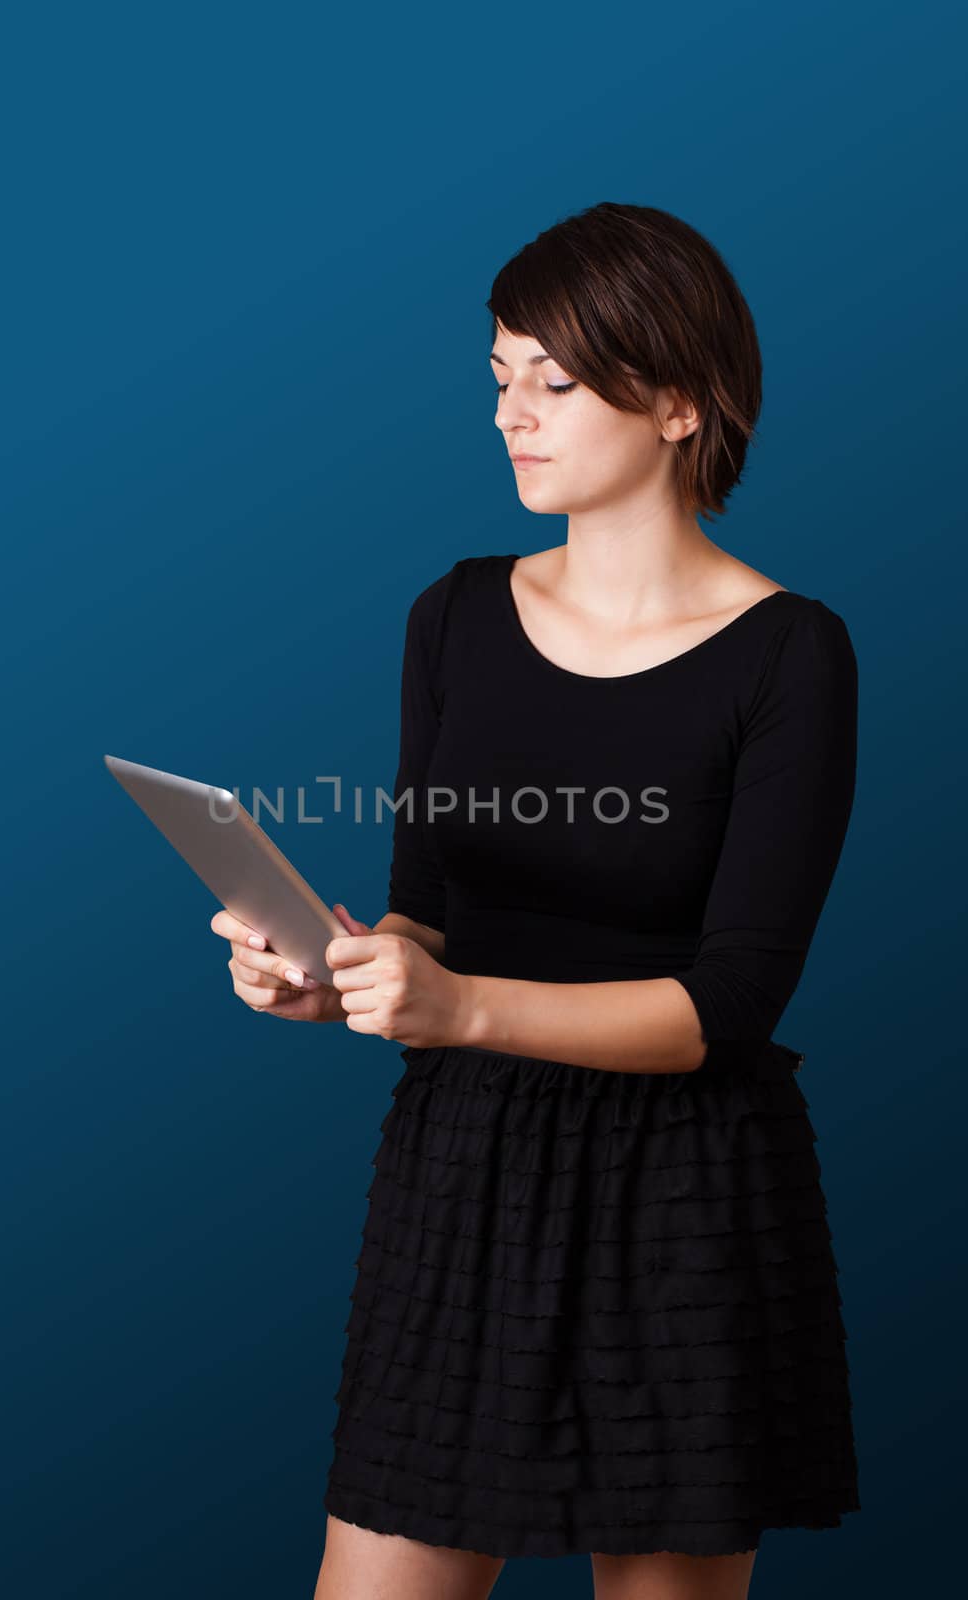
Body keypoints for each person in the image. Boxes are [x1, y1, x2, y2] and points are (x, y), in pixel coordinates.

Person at [211, 201, 862, 1600]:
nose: (514, 413)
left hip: (688, 1191)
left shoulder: (790, 654)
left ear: (681, 399)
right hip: (465, 1170)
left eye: (554, 382)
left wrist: (457, 1004)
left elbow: (732, 1001)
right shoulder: (451, 615)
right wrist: (337, 976)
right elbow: (427, 914)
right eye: (499, 376)